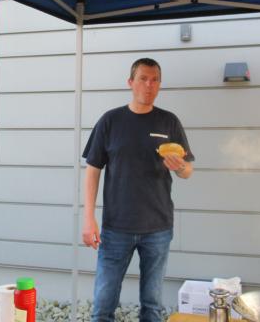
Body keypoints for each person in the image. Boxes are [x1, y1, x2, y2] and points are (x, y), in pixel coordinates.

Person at [82, 57, 194, 322]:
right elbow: (93, 169)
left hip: (158, 228)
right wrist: (89, 218)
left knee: (152, 306)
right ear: (130, 82)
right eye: (143, 79)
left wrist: (179, 167)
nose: (149, 85)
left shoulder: (169, 122)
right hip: (116, 228)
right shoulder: (110, 121)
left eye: (155, 80)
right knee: (103, 305)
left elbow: (188, 170)